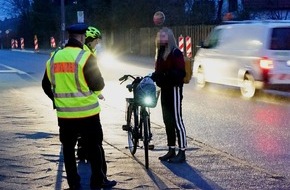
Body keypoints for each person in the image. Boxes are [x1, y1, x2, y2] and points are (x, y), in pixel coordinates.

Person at [41, 23, 116, 189]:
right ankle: (96, 183)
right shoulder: (85, 57)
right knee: (94, 148)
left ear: (69, 37)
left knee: (68, 150)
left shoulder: (54, 57)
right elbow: (98, 84)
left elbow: (46, 85)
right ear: (82, 37)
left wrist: (58, 101)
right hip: (88, 114)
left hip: (65, 116)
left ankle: (74, 185)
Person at [151, 27, 187, 163]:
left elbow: (181, 73)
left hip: (174, 90)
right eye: (160, 36)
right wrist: (155, 76)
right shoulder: (160, 52)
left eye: (164, 36)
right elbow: (158, 71)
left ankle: (182, 151)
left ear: (170, 38)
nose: (161, 39)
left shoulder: (175, 52)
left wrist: (166, 75)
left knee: (177, 120)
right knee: (167, 120)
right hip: (165, 89)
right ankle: (171, 149)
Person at [76, 26, 104, 162]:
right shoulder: (86, 54)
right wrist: (99, 92)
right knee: (93, 134)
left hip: (74, 99)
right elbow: (93, 78)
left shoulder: (86, 51)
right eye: (96, 41)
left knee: (81, 130)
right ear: (88, 40)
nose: (97, 43)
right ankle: (85, 154)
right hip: (85, 99)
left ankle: (82, 152)